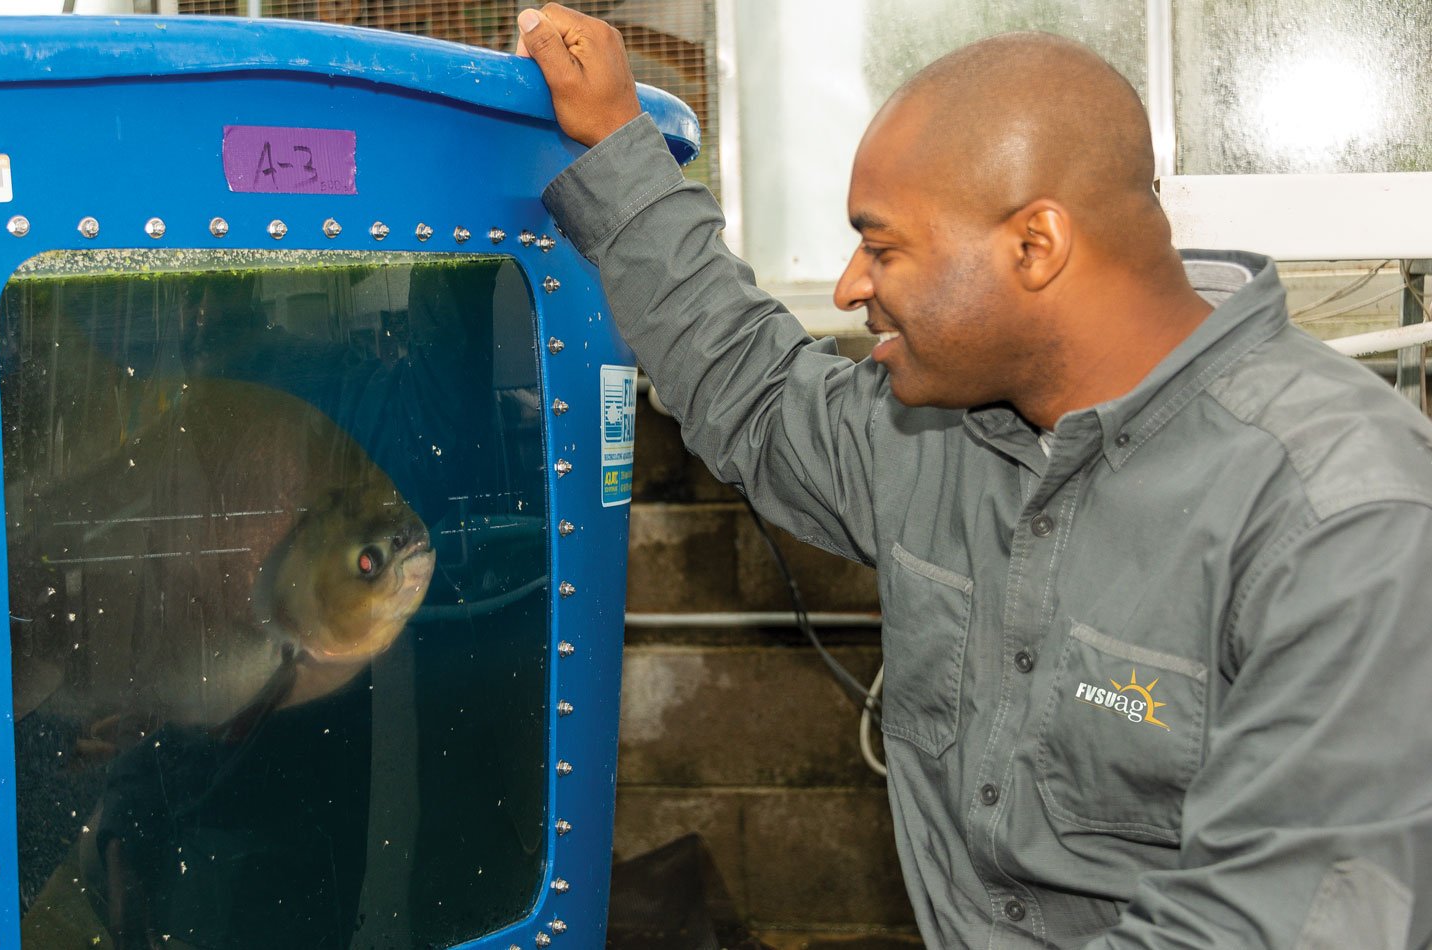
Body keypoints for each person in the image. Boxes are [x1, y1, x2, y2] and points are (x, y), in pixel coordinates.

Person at [515, 4, 1432, 948]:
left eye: (883, 246)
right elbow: (748, 385)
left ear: (1035, 246)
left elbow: (1291, 920)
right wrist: (620, 146)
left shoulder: (1343, 516)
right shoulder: (934, 435)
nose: (847, 288)